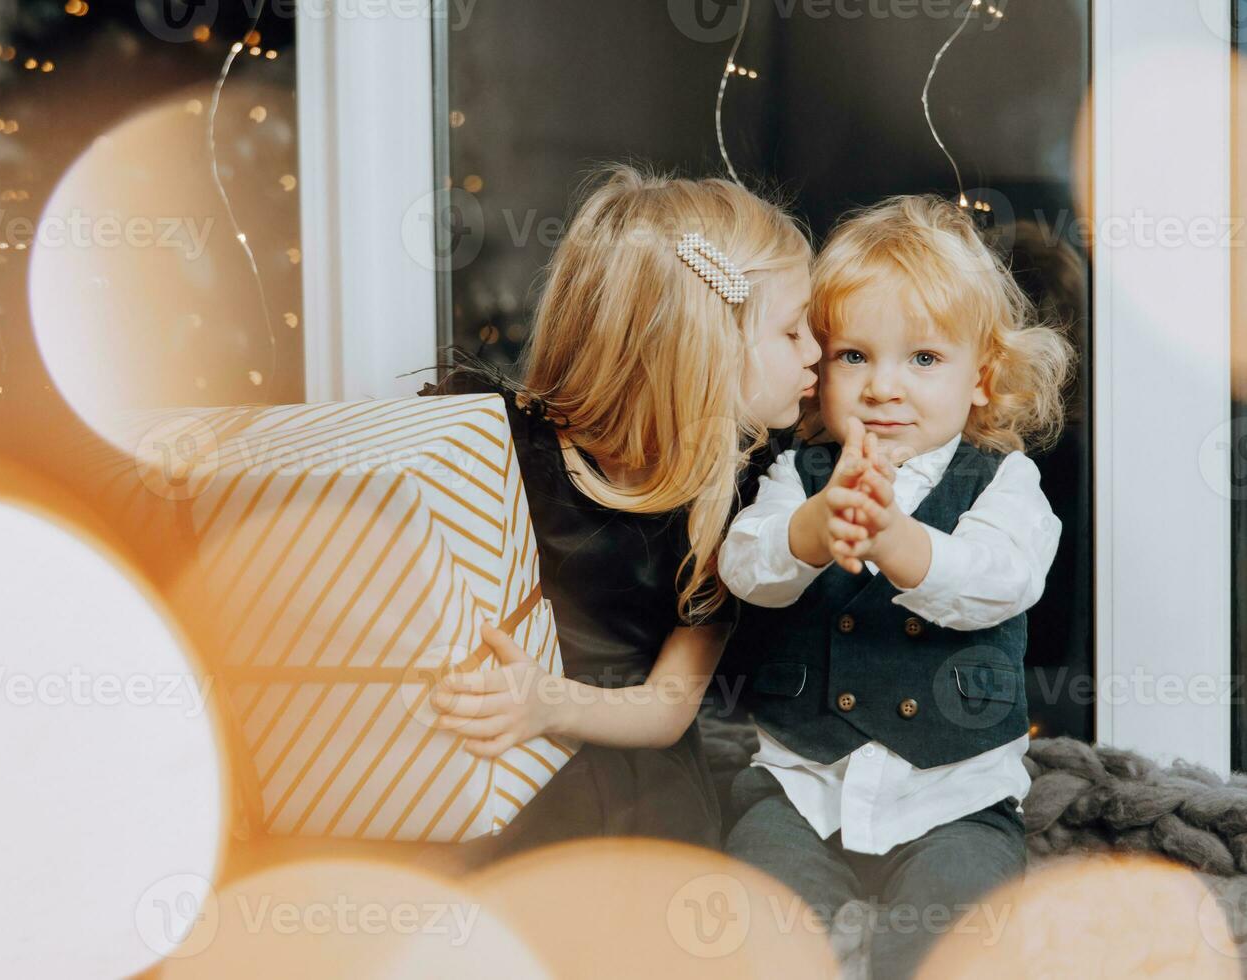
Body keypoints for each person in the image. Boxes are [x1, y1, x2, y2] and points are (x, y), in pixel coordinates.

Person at [418, 163, 818, 868]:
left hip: (627, 766)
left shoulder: (737, 507)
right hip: (489, 758)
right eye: (792, 334)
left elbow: (669, 705)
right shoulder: (503, 448)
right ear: (708, 343)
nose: (815, 354)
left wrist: (549, 704)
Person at [718, 194, 1075, 978]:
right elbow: (746, 567)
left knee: (953, 937)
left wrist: (899, 542)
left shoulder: (1006, 483)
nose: (883, 387)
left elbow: (1001, 579)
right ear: (819, 368)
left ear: (980, 378)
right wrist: (811, 531)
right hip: (803, 786)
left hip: (954, 797)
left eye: (922, 359)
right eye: (854, 356)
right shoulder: (798, 474)